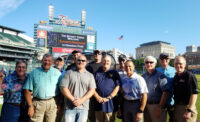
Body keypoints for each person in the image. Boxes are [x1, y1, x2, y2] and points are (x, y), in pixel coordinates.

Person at [23, 53, 62, 122]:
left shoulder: (57, 73)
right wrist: (30, 106)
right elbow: (26, 90)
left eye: (49, 61)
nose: (47, 62)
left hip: (52, 102)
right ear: (42, 61)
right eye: (45, 60)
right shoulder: (34, 72)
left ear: (52, 62)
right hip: (38, 103)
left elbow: (61, 90)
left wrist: (59, 104)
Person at [60, 54, 96, 122]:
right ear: (76, 61)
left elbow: (92, 90)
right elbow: (63, 87)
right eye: (79, 60)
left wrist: (82, 100)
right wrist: (73, 99)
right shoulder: (69, 73)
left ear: (86, 62)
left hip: (83, 108)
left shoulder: (90, 75)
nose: (81, 62)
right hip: (69, 107)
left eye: (83, 60)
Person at [94, 55, 121, 122]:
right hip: (98, 103)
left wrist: (108, 98)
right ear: (102, 61)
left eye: (108, 61)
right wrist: (97, 97)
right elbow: (92, 88)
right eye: (104, 60)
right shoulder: (97, 73)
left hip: (110, 103)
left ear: (110, 62)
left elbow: (117, 87)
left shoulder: (114, 73)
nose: (106, 62)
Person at [142, 56, 169, 122]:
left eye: (151, 62)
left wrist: (160, 107)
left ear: (155, 63)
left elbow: (165, 92)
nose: (149, 64)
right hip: (146, 106)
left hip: (157, 106)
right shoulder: (143, 76)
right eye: (147, 62)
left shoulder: (160, 76)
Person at [173, 56, 198, 122]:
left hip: (187, 107)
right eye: (176, 64)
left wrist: (189, 110)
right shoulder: (176, 76)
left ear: (185, 64)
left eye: (180, 63)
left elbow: (194, 94)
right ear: (174, 65)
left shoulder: (189, 76)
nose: (178, 65)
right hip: (177, 106)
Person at [156, 53, 176, 122]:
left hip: (171, 100)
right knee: (160, 119)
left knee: (173, 119)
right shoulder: (156, 71)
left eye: (166, 58)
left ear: (169, 60)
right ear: (159, 60)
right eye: (162, 58)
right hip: (159, 100)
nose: (164, 60)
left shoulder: (174, 70)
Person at [86, 49, 102, 122]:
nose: (97, 55)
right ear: (93, 55)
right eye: (95, 53)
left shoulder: (104, 64)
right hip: (91, 93)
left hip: (101, 93)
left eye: (99, 53)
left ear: (101, 55)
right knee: (91, 114)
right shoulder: (89, 66)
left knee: (102, 114)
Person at [54, 56, 66, 122]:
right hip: (54, 96)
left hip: (62, 97)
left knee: (59, 115)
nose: (59, 63)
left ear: (63, 63)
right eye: (57, 61)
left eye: (61, 61)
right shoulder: (51, 71)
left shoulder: (66, 73)